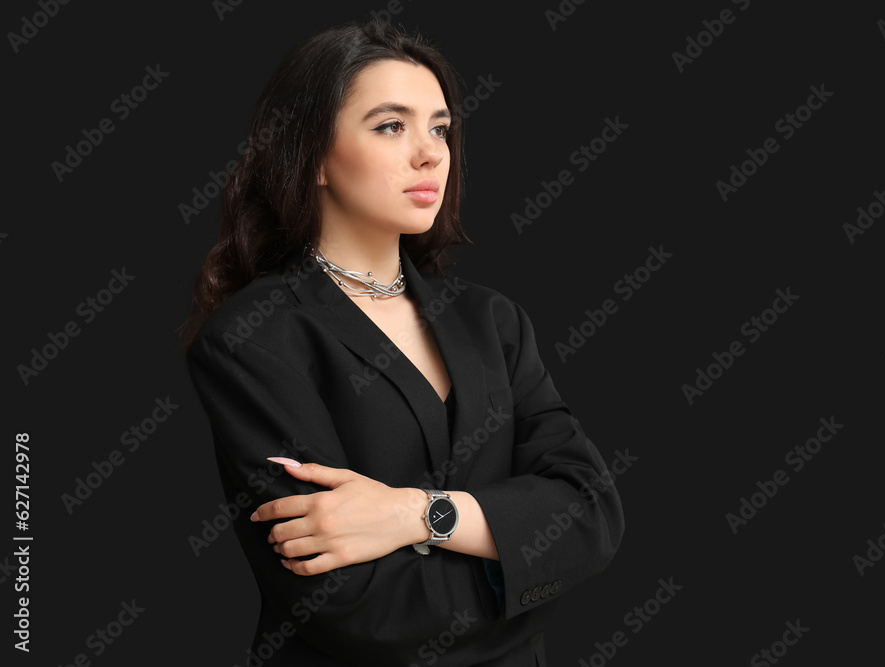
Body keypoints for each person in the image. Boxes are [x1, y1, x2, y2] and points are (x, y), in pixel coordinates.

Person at [182, 20, 624, 666]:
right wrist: (527, 571)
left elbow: (591, 513)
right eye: (391, 126)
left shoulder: (492, 320)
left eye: (439, 128)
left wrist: (419, 514)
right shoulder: (254, 337)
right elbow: (350, 605)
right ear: (312, 156)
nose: (430, 153)